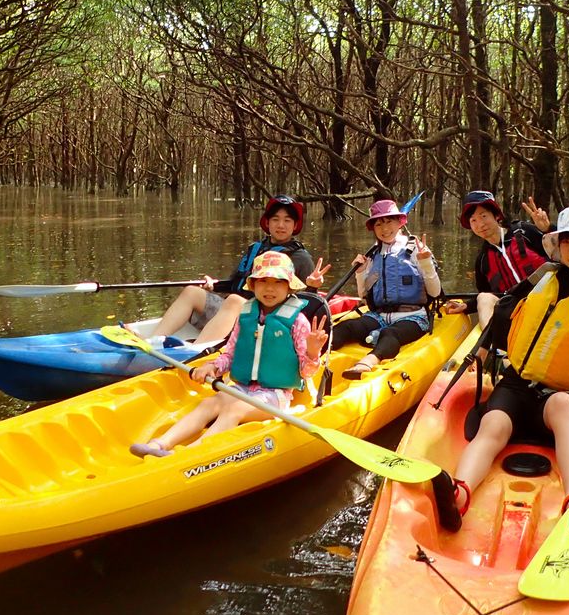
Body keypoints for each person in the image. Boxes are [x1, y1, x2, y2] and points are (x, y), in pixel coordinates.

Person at [433, 205, 569, 532]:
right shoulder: (541, 278)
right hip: (515, 385)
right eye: (567, 242)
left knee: (564, 405)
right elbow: (504, 310)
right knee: (492, 423)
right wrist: (479, 352)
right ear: (558, 246)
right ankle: (459, 493)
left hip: (557, 393)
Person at [129, 251, 328, 457]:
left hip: (275, 396)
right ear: (253, 285)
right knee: (210, 402)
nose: (269, 288)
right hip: (241, 388)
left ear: (289, 286)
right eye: (263, 281)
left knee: (233, 410)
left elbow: (306, 373)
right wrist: (212, 367)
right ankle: (159, 444)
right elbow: (230, 354)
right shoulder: (246, 314)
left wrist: (313, 352)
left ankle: (189, 455)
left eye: (278, 282)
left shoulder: (298, 322)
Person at [149, 195, 330, 345]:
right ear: (267, 223)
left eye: (287, 221)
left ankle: (195, 353)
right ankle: (153, 342)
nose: (281, 225)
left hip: (265, 322)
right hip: (232, 311)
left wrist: (312, 287)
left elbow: (307, 306)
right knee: (192, 292)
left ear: (295, 225)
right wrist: (214, 286)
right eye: (275, 219)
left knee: (235, 300)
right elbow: (236, 283)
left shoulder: (301, 257)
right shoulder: (255, 248)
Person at [331, 198, 442, 380]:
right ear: (373, 228)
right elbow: (364, 297)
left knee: (389, 334)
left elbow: (435, 292)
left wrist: (426, 264)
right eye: (378, 223)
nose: (384, 228)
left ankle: (368, 362)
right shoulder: (373, 254)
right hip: (379, 315)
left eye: (389, 221)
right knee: (348, 326)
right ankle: (313, 352)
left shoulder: (416, 249)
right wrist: (360, 272)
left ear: (400, 222)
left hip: (413, 316)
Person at [443, 190, 551, 328]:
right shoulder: (482, 260)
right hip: (515, 313)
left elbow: (564, 254)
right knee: (483, 297)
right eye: (473, 220)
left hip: (547, 302)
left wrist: (548, 229)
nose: (480, 224)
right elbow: (488, 295)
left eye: (483, 216)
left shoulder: (525, 232)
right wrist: (466, 306)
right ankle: (493, 345)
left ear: (496, 216)